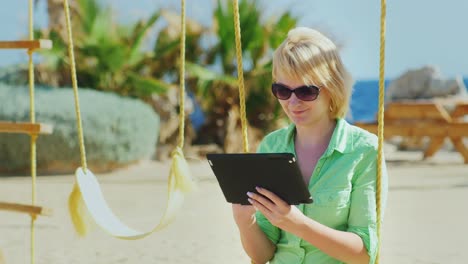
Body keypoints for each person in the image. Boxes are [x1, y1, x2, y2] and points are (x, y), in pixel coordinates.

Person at [232, 27, 388, 264]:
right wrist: (245, 222)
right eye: (282, 90)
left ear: (332, 88)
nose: (293, 102)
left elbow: (365, 254)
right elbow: (262, 255)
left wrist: (298, 224)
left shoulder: (364, 150)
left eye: (306, 91)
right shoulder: (271, 146)